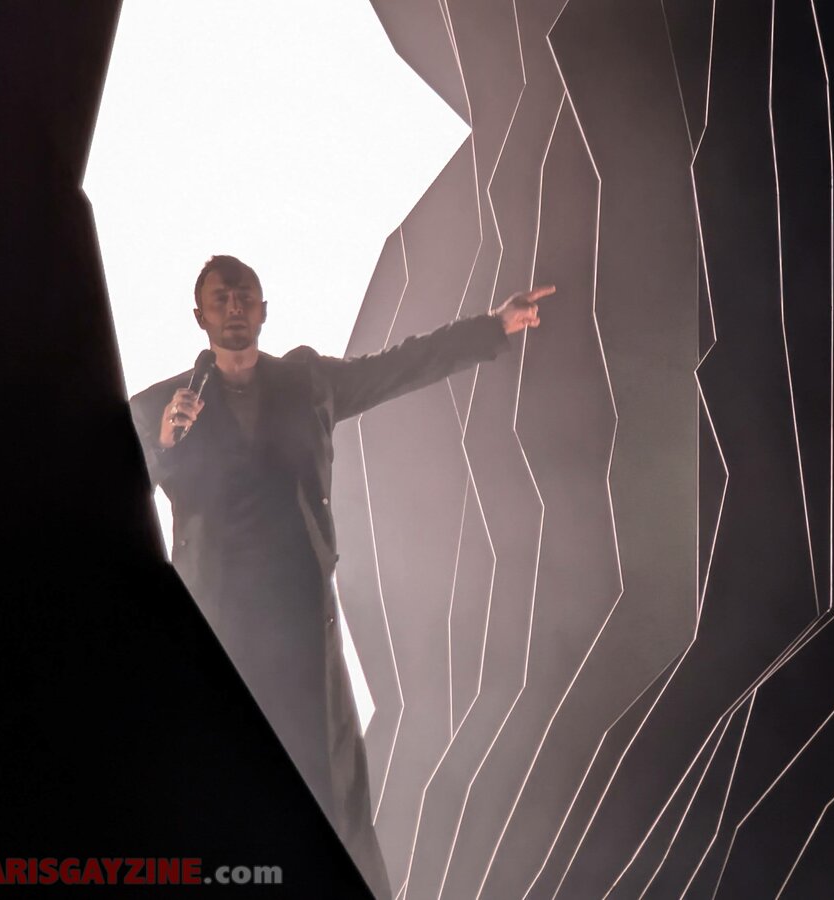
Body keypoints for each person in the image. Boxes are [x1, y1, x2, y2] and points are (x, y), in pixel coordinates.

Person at [127, 255, 552, 898]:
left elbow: (397, 367)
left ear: (264, 309)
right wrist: (164, 444)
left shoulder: (308, 383)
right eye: (221, 298)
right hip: (218, 622)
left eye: (245, 295)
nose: (234, 306)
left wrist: (492, 326)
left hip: (302, 618)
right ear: (199, 316)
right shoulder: (156, 406)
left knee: (328, 786)